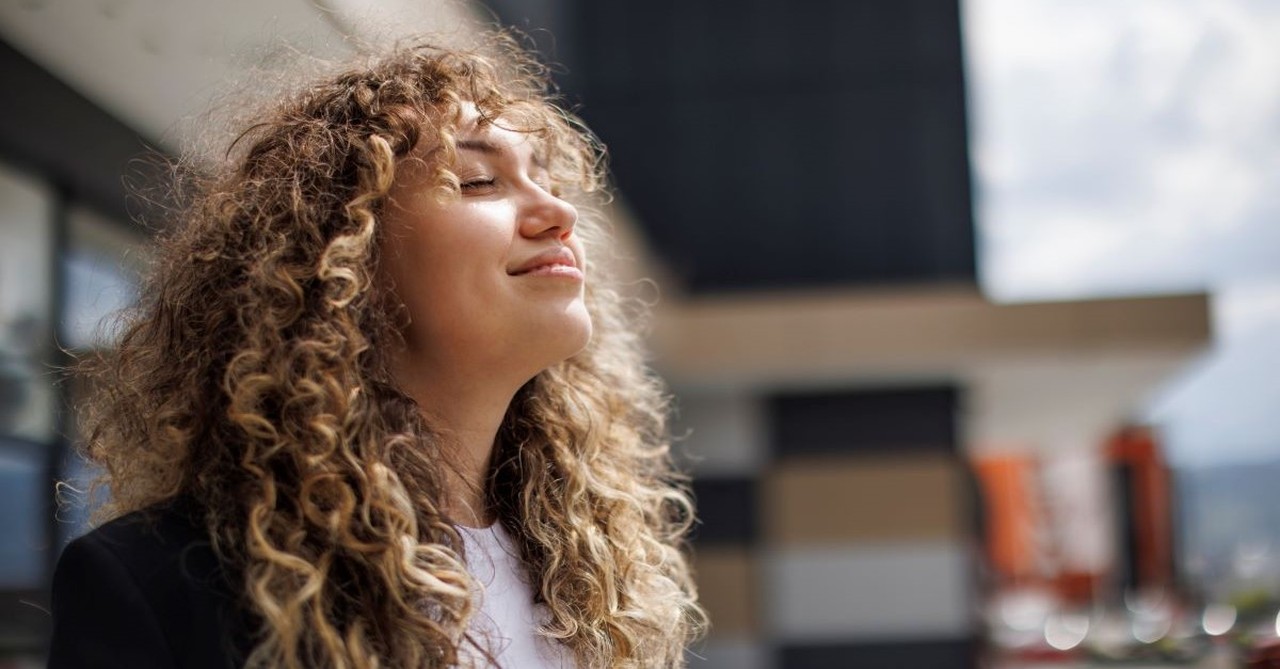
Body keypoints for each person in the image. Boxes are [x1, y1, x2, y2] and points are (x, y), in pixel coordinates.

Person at [47, 32, 705, 668]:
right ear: (346, 257)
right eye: (478, 180)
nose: (556, 212)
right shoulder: (161, 585)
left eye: (547, 178)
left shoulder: (588, 578)